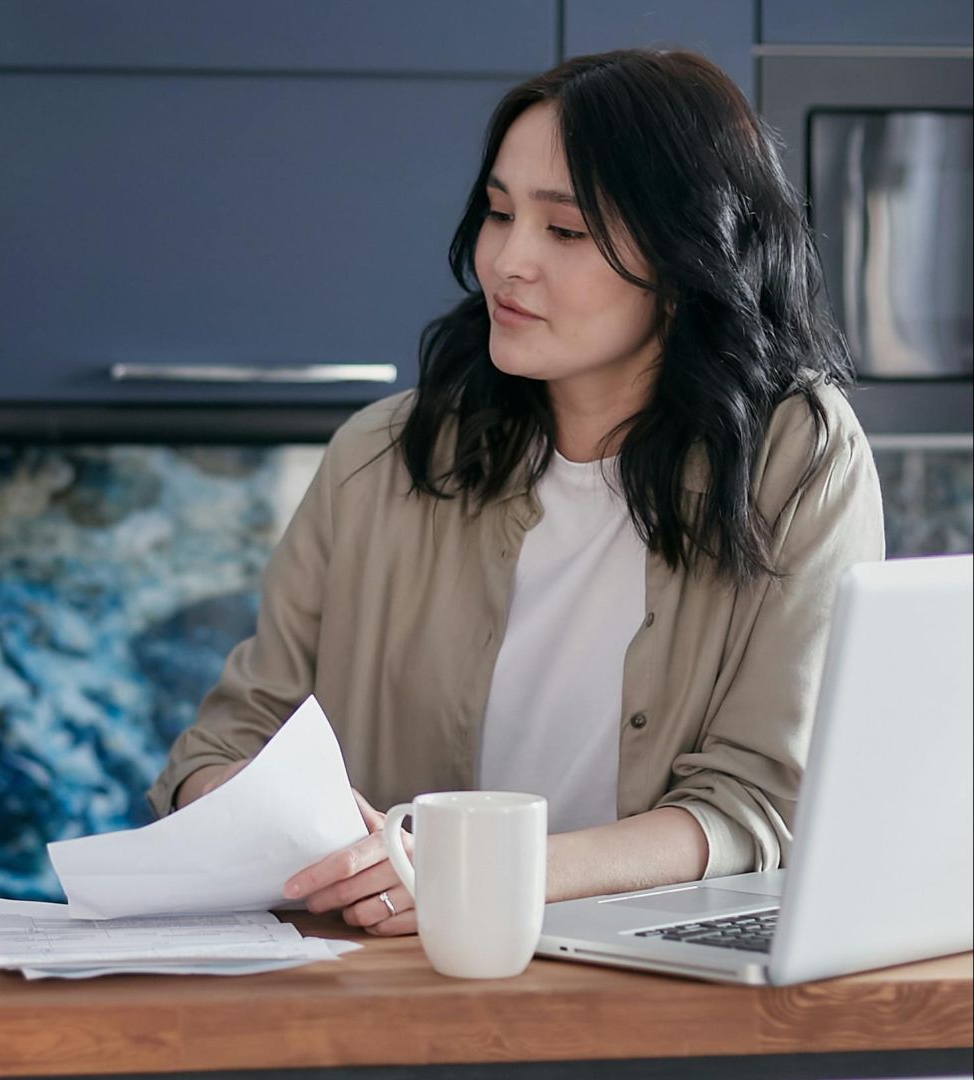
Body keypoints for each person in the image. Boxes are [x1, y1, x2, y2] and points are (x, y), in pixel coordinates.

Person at [149, 49, 884, 936]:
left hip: (659, 985)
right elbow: (219, 752)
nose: (506, 261)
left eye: (565, 231)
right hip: (391, 986)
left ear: (688, 258)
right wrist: (277, 821)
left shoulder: (796, 457)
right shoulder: (378, 456)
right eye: (499, 214)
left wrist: (484, 872)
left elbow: (762, 800)